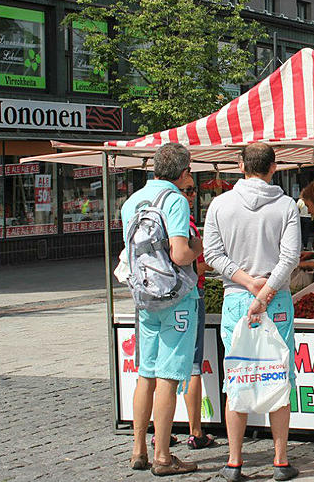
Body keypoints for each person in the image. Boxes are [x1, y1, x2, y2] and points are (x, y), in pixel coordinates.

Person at [203, 143, 301, 482]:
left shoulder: (219, 205)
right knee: (279, 375)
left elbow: (212, 254)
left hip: (236, 299)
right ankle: (280, 459)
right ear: (274, 167)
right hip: (276, 301)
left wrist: (246, 282)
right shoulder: (286, 205)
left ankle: (234, 461)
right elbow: (290, 258)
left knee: (238, 376)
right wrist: (265, 291)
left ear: (240, 165)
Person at [120, 143, 201, 476]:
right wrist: (199, 246)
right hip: (176, 299)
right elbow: (181, 254)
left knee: (146, 375)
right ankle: (164, 456)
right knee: (168, 378)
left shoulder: (131, 202)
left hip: (144, 297)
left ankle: (139, 449)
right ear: (183, 173)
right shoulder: (175, 201)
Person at [180, 175, 216, 451]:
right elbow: (198, 267)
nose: (193, 196)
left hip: (160, 300)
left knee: (160, 369)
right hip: (190, 296)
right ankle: (195, 430)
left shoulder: (159, 219)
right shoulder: (186, 224)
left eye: (194, 190)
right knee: (193, 366)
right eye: (189, 190)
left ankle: (162, 431)